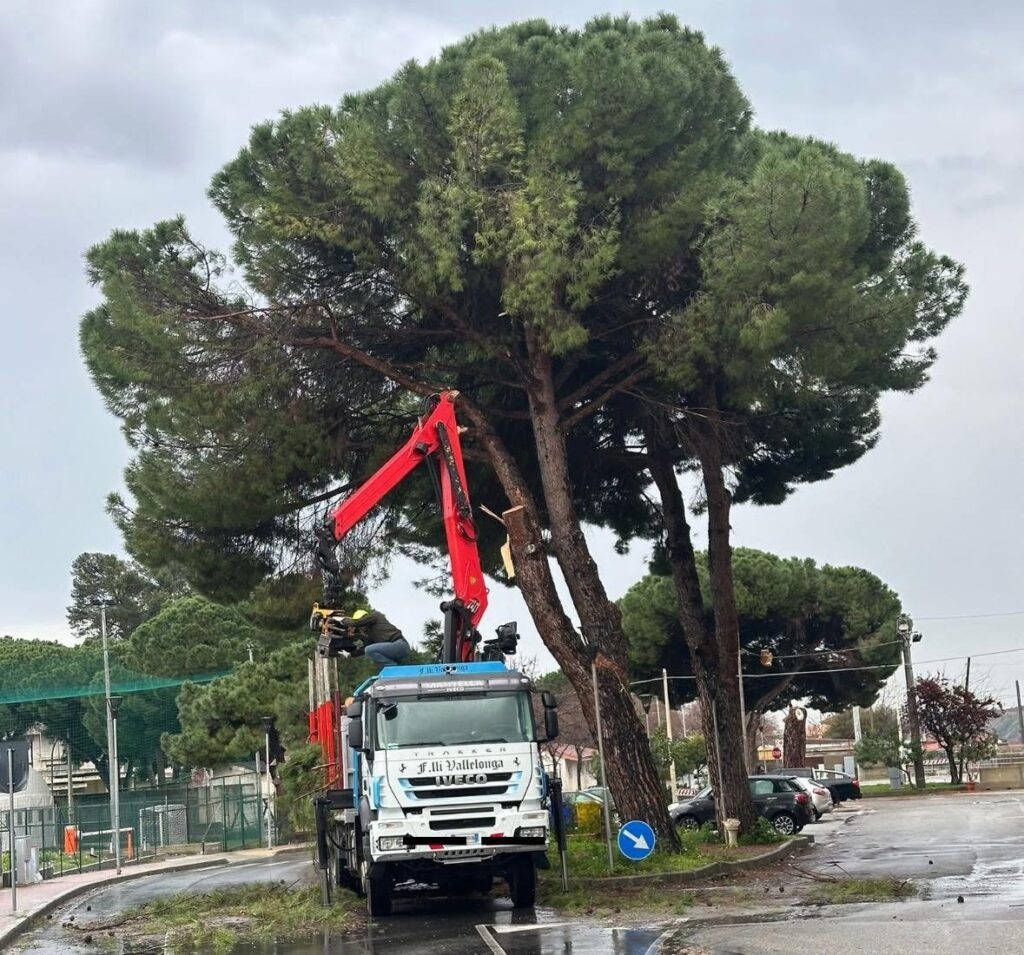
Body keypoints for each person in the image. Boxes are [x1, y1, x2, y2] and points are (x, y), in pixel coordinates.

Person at [329, 608, 410, 666]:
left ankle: (392, 668)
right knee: (369, 650)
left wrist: (339, 619)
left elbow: (356, 623)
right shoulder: (371, 634)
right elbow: (364, 649)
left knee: (369, 650)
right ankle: (394, 668)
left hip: (399, 645)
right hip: (396, 649)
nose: (361, 628)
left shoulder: (376, 616)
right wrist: (350, 654)